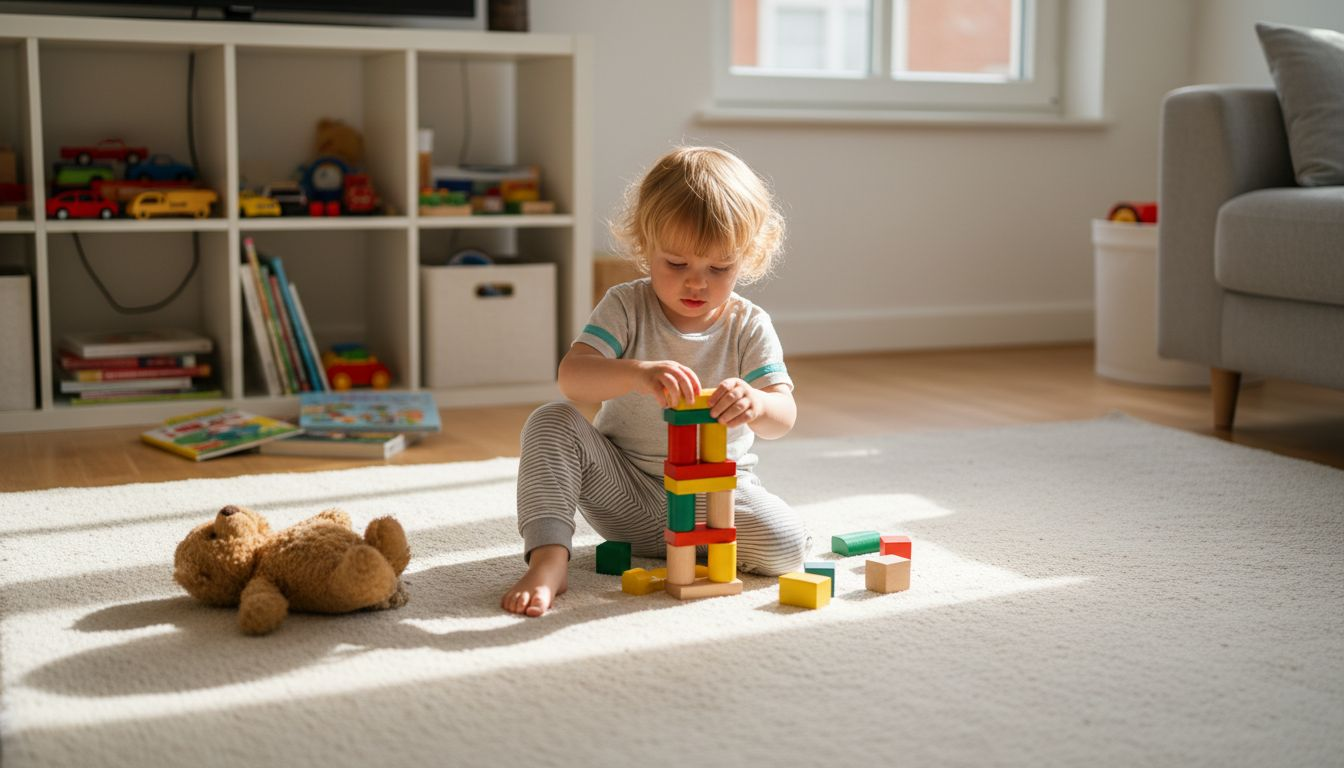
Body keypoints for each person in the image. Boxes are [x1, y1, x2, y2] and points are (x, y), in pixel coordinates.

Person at [501, 146, 809, 617]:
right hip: (624, 492)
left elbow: (782, 417)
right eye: (677, 264)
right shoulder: (626, 306)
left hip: (714, 499)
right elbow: (572, 378)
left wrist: (756, 404)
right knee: (550, 422)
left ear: (746, 258)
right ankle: (548, 560)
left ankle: (697, 551)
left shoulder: (749, 323)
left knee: (789, 547)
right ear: (646, 247)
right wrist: (635, 373)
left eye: (719, 268)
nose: (697, 283)